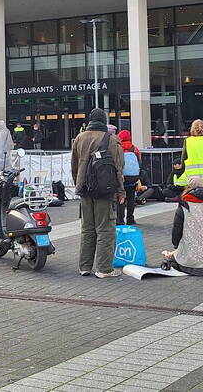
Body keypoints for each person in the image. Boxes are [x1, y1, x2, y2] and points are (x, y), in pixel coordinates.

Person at [71, 108, 125, 278]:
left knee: (87, 229)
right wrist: (121, 191)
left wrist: (79, 184)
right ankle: (103, 269)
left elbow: (74, 165)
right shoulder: (111, 139)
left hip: (85, 190)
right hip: (105, 190)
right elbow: (118, 167)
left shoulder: (79, 138)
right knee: (106, 229)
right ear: (104, 121)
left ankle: (84, 267)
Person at [164, 176, 203, 276]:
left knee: (173, 258)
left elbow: (176, 231)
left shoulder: (185, 206)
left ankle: (186, 266)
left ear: (189, 188)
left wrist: (177, 247)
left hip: (190, 259)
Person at [116, 129, 142, 226]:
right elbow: (140, 162)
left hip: (122, 177)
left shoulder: (118, 148)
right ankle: (130, 218)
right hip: (133, 177)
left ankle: (120, 219)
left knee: (121, 197)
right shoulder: (134, 148)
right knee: (131, 198)